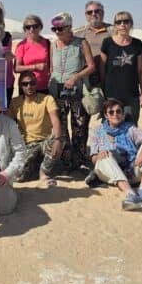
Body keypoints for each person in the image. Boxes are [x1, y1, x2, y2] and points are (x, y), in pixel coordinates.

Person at [89, 99, 142, 211]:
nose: (115, 114)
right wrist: (99, 155)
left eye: (118, 111)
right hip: (108, 172)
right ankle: (131, 195)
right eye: (111, 112)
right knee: (106, 156)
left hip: (131, 172)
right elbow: (93, 158)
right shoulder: (97, 131)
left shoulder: (130, 129)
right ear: (106, 115)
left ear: (123, 114)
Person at [49, 13, 96, 172]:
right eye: (54, 29)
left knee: (79, 127)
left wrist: (76, 77)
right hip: (57, 92)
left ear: (69, 27)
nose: (57, 32)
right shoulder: (53, 45)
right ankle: (66, 161)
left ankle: (79, 161)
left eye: (60, 28)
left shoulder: (81, 43)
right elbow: (52, 68)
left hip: (77, 91)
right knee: (61, 128)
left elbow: (91, 66)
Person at [9, 70, 63, 185]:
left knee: (57, 139)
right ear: (20, 86)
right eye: (25, 84)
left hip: (44, 142)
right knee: (20, 177)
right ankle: (36, 166)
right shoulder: (15, 102)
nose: (29, 86)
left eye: (32, 83)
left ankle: (44, 173)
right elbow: (8, 124)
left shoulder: (47, 99)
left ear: (36, 84)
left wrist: (58, 140)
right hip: (27, 144)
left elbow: (55, 119)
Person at [100, 11, 142, 124]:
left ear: (131, 24)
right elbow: (102, 68)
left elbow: (140, 70)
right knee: (111, 126)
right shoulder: (107, 43)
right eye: (119, 22)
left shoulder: (137, 43)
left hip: (131, 94)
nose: (122, 24)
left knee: (130, 126)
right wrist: (103, 89)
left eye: (126, 21)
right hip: (111, 94)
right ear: (115, 25)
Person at [73, 0, 112, 88]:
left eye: (97, 11)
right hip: (87, 80)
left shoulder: (113, 31)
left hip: (110, 78)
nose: (93, 14)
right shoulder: (78, 33)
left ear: (103, 13)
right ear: (86, 15)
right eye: (89, 12)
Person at [14, 14, 51, 94]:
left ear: (40, 27)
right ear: (25, 29)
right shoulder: (21, 45)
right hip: (27, 87)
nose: (32, 29)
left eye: (35, 26)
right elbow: (16, 68)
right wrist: (35, 67)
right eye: (28, 27)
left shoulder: (47, 43)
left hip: (44, 86)